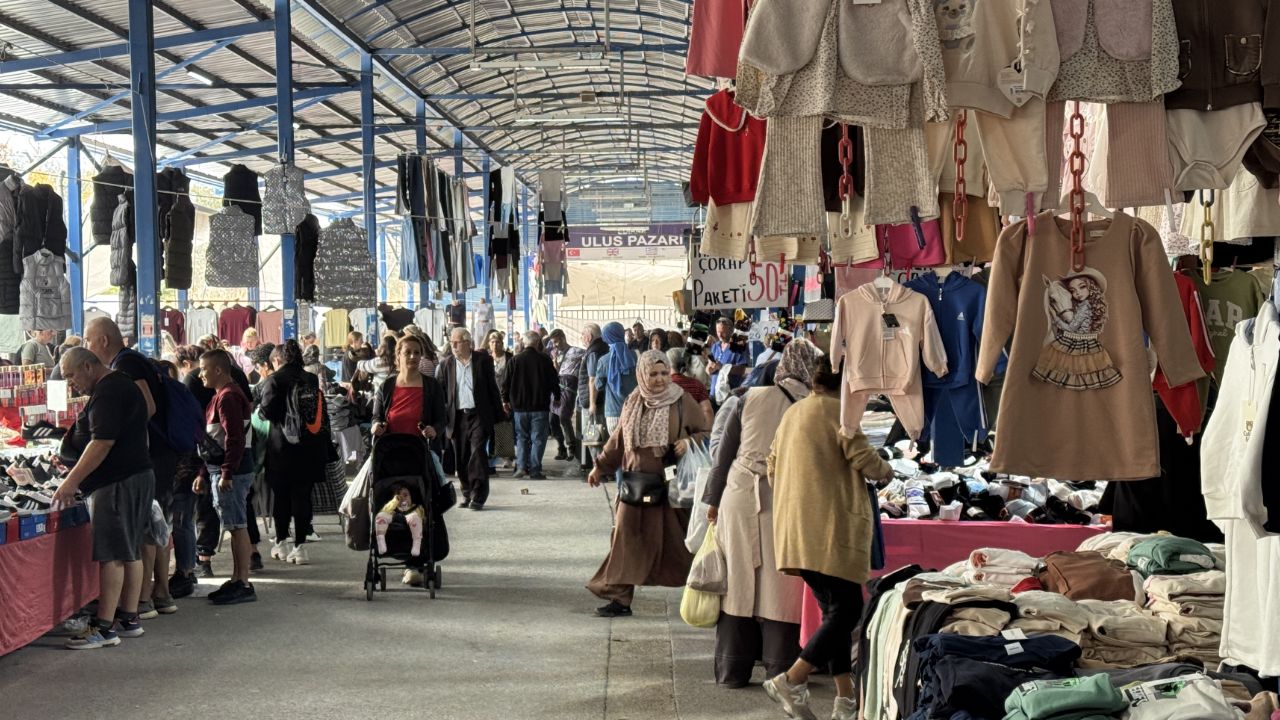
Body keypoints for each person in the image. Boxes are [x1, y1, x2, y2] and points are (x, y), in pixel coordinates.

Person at [763, 357, 894, 720]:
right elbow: (864, 458)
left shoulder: (795, 412)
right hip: (829, 532)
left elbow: (771, 465)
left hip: (797, 529)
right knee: (847, 610)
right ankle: (791, 679)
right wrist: (887, 471)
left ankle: (845, 701)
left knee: (833, 613)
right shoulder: (840, 413)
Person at [703, 340, 818, 688]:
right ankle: (780, 671)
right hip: (788, 498)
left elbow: (723, 457)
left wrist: (713, 501)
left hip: (739, 495)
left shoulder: (747, 398)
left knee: (738, 581)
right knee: (782, 586)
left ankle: (732, 670)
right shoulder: (816, 405)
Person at [586, 350, 710, 617]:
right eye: (653, 374)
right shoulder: (633, 401)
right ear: (641, 374)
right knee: (624, 537)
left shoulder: (681, 400)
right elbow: (618, 439)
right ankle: (619, 598)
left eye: (664, 373)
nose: (659, 379)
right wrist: (599, 467)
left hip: (669, 486)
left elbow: (705, 430)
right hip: (635, 484)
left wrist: (688, 442)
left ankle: (707, 588)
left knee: (679, 543)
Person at [52, 347, 154, 648]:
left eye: (72, 376)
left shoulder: (108, 391)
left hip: (117, 483)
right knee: (129, 550)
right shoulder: (122, 384)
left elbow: (102, 442)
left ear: (88, 366)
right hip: (135, 476)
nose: (71, 383)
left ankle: (104, 627)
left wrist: (71, 482)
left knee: (111, 555)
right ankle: (129, 617)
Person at [83, 317, 179, 619]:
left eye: (88, 340)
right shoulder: (134, 362)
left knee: (143, 534)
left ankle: (144, 599)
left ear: (102, 341)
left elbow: (146, 406)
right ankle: (150, 599)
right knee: (151, 529)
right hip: (153, 458)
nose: (87, 346)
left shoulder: (125, 366)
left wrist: (122, 428)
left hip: (148, 459)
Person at [370, 333, 447, 584]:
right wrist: (376, 427)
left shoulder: (431, 386)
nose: (413, 357)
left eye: (417, 352)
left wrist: (434, 429)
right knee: (390, 507)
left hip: (420, 457)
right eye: (408, 353)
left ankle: (416, 562)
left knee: (421, 506)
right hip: (390, 459)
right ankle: (398, 554)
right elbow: (376, 417)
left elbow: (440, 419)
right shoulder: (387, 386)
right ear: (398, 356)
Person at [258, 339, 329, 565]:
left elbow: (266, 412)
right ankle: (299, 547)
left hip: (281, 448)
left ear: (277, 359)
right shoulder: (310, 378)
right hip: (309, 447)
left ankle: (281, 542)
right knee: (302, 496)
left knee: (281, 497)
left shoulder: (274, 380)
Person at [195, 349, 257, 605]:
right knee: (234, 524)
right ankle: (236, 579)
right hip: (222, 469)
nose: (200, 375)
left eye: (204, 369)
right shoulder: (221, 396)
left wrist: (227, 471)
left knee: (237, 525)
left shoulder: (228, 397)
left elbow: (235, 438)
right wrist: (204, 472)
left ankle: (242, 581)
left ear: (218, 370)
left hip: (231, 471)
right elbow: (214, 439)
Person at [438, 328, 503, 510]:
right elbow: (441, 393)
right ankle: (466, 493)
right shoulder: (446, 364)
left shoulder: (483, 361)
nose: (453, 346)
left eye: (457, 342)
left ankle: (479, 496)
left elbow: (492, 388)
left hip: (478, 415)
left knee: (477, 453)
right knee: (462, 457)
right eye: (451, 342)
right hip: (457, 417)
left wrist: (499, 414)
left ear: (467, 343)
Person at [503, 331, 560, 480]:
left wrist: (505, 401)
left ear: (524, 342)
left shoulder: (514, 360)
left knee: (521, 438)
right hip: (540, 406)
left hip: (519, 408)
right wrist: (557, 397)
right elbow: (554, 380)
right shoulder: (545, 360)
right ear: (537, 343)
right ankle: (535, 470)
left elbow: (506, 383)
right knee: (538, 439)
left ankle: (521, 467)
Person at [594, 322, 638, 438]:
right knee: (632, 450)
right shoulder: (635, 356)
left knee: (617, 449)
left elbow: (598, 386)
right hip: (634, 411)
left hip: (613, 412)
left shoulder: (603, 361)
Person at [548, 329, 585, 463]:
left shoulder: (577, 351)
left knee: (564, 416)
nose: (555, 345)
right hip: (557, 386)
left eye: (557, 341)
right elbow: (556, 372)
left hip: (569, 387)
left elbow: (588, 359)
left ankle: (571, 447)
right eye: (553, 343)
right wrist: (555, 365)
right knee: (552, 419)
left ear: (563, 338)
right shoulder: (554, 353)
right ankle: (561, 447)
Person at [578, 324, 608, 473]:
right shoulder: (604, 347)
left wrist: (592, 403)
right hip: (603, 399)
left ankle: (599, 469)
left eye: (582, 335)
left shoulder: (593, 352)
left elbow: (592, 379)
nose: (581, 338)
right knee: (602, 435)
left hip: (595, 401)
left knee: (594, 437)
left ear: (589, 336)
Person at [486, 331, 516, 471]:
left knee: (504, 427)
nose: (495, 344)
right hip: (490, 398)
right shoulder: (485, 359)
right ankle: (491, 459)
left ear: (502, 344)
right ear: (489, 344)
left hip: (506, 397)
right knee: (490, 429)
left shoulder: (509, 358)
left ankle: (507, 457)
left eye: (497, 341)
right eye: (492, 342)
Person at [667, 347, 714, 428]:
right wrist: (706, 433)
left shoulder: (664, 385)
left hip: (669, 431)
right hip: (693, 432)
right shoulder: (697, 385)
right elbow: (707, 410)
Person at [375, 484, 425, 556]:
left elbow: (421, 517)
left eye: (405, 495)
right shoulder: (393, 506)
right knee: (380, 515)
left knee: (415, 517)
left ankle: (417, 544)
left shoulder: (416, 507)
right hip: (392, 524)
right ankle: (381, 541)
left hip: (411, 526)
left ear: (411, 497)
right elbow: (384, 511)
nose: (403, 498)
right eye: (399, 496)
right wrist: (395, 501)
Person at [708, 318, 747, 404]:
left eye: (723, 332)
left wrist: (723, 367)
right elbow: (709, 365)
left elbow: (741, 370)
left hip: (729, 396)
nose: (720, 335)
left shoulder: (737, 347)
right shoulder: (715, 346)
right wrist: (709, 369)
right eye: (718, 332)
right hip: (713, 393)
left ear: (731, 331)